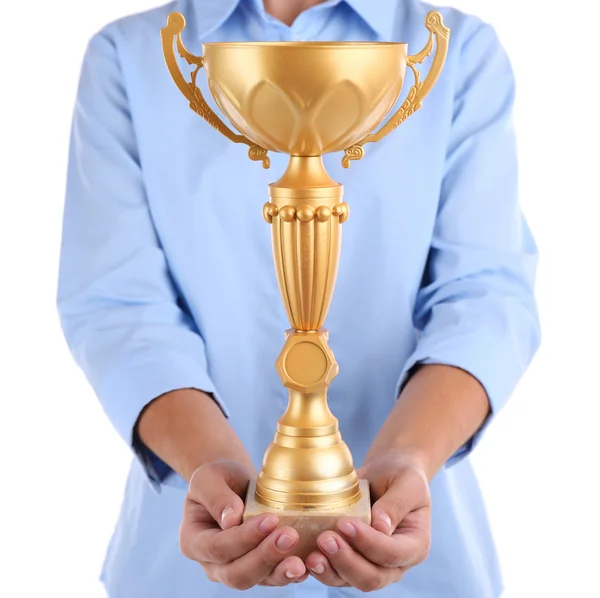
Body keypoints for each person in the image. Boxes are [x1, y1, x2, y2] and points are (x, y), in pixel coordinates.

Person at [57, 0, 540, 596]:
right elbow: (118, 305)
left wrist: (409, 458)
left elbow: (485, 297)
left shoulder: (460, 50)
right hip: (181, 566)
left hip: (421, 569)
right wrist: (210, 467)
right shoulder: (130, 55)